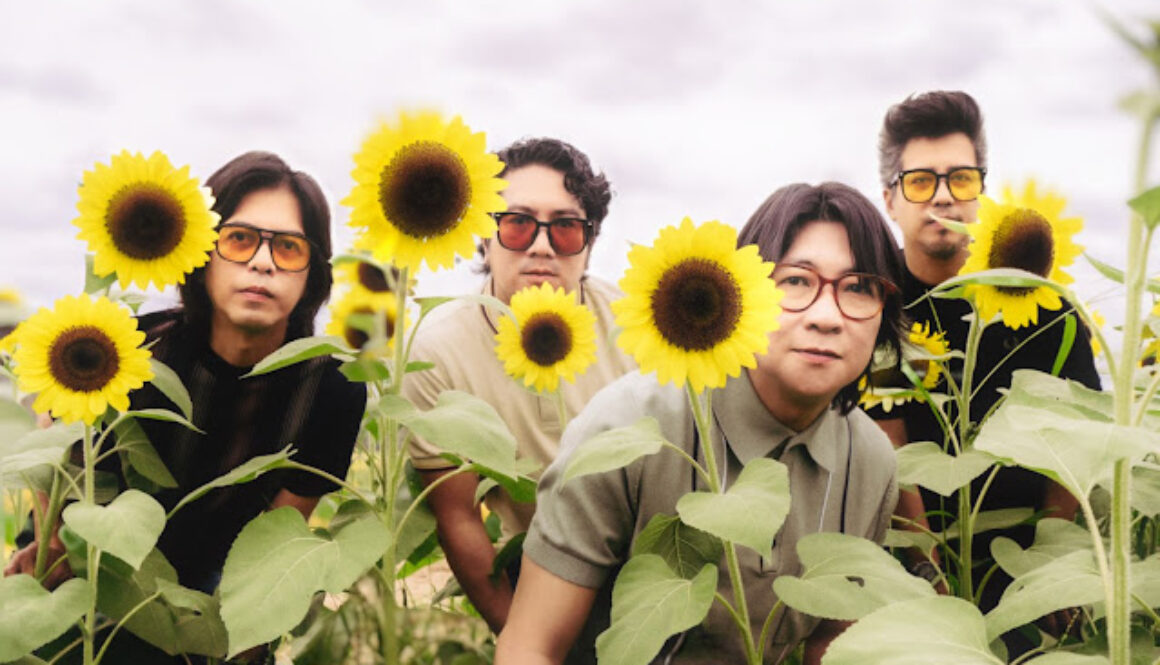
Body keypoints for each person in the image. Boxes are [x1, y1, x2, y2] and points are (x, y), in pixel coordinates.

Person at [495, 182, 906, 665]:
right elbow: (531, 646)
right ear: (745, 294)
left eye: (859, 288)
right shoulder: (626, 428)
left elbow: (833, 642)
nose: (826, 316)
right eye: (796, 280)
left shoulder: (869, 463)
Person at [5, 151, 366, 656]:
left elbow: (274, 547)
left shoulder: (331, 390)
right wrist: (51, 540)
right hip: (87, 561)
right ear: (201, 251)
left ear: (314, 273)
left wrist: (242, 641)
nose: (263, 262)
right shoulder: (134, 349)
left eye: (289, 247)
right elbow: (57, 431)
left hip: (213, 586)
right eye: (240, 239)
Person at [871, 91, 1100, 617]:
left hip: (1027, 565)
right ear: (890, 200)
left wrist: (1046, 570)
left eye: (961, 178)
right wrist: (930, 575)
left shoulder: (1036, 291)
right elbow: (891, 440)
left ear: (982, 190)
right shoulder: (881, 301)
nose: (943, 197)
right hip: (916, 569)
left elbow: (1074, 430)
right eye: (921, 181)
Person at [403, 138, 635, 634]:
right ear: (485, 237)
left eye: (566, 227)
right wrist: (521, 641)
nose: (541, 246)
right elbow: (459, 517)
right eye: (518, 223)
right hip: (533, 572)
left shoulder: (637, 325)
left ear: (590, 243)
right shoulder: (438, 351)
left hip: (645, 569)